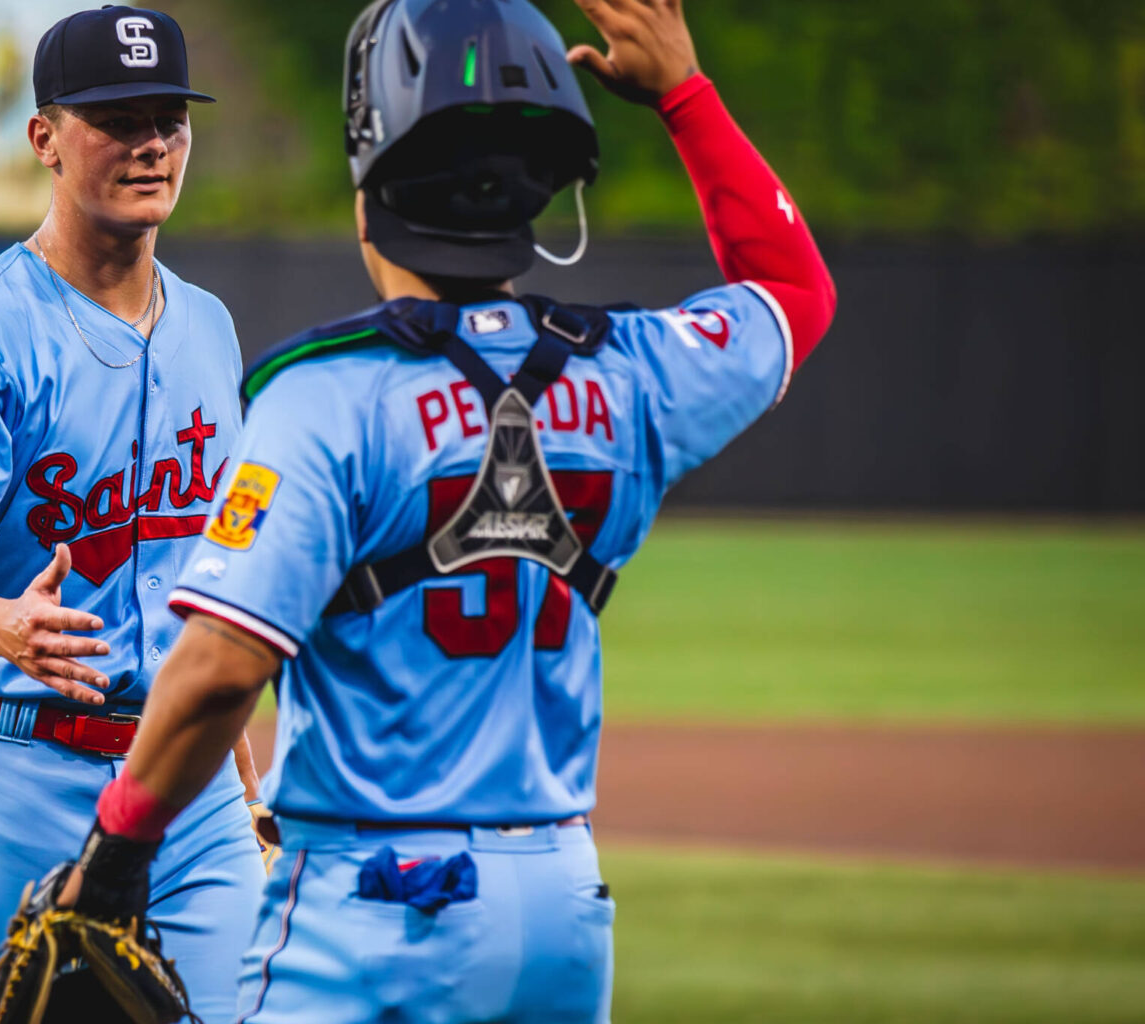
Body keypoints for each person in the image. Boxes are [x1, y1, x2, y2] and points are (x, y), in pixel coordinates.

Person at [43, 0, 838, 1020]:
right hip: (561, 903)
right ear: (542, 186)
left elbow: (219, 672)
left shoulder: (326, 393)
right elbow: (792, 290)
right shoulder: (631, 370)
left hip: (372, 911)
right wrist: (685, 97)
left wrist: (114, 854)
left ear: (368, 183)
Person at [0, 7, 267, 1021]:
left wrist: (247, 785)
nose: (151, 144)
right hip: (3, 774)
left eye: (169, 119)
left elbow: (212, 589)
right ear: (44, 137)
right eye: (118, 120)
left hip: (186, 787)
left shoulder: (210, 327)